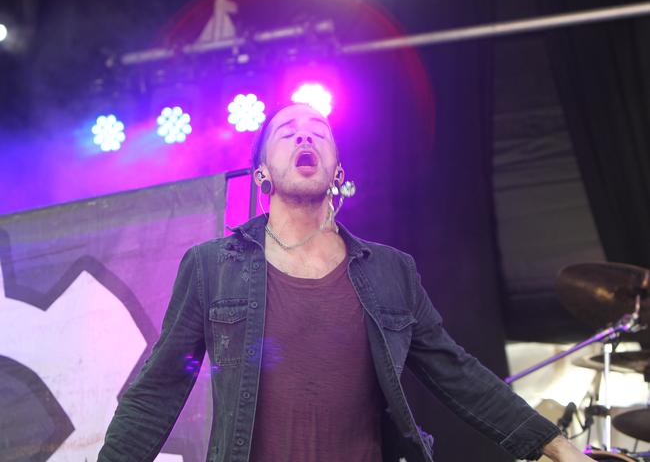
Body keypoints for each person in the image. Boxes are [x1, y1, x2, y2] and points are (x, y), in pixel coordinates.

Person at [98, 102, 592, 462]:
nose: (305, 137)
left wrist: (558, 446)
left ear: (337, 170)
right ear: (262, 171)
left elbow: (457, 374)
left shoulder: (390, 271)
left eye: (319, 132)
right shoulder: (212, 266)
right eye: (287, 132)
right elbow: (158, 388)